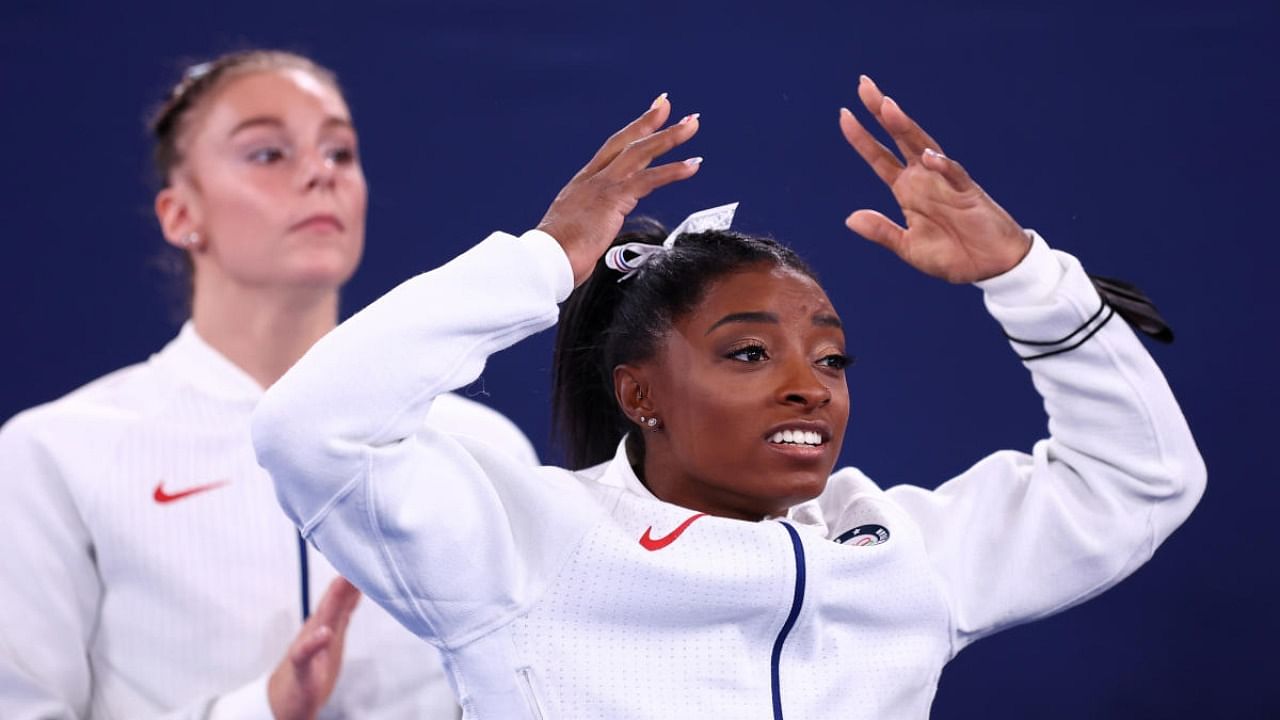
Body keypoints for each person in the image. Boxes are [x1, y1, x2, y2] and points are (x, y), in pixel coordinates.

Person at [252, 76, 1205, 718]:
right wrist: (539, 264)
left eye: (832, 362)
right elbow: (310, 428)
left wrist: (1030, 280)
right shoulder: (526, 545)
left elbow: (1139, 482)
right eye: (748, 353)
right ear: (639, 391)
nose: (809, 387)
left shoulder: (902, 553)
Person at [0, 50, 538, 719]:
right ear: (178, 214)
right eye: (267, 154)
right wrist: (262, 709)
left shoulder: (483, 448)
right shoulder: (54, 454)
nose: (320, 173)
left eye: (340, 152)